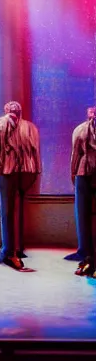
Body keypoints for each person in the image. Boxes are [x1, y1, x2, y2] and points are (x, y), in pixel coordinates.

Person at [0, 101, 41, 271]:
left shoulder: (29, 127)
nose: (14, 110)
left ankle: (15, 249)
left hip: (25, 171)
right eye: (11, 108)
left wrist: (36, 169)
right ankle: (9, 250)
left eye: (16, 108)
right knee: (7, 210)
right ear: (5, 110)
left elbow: (35, 150)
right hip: (6, 170)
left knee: (15, 210)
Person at [69, 107, 96, 277]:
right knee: (82, 215)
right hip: (83, 172)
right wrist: (73, 174)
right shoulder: (80, 130)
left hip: (85, 173)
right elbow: (75, 154)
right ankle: (86, 255)